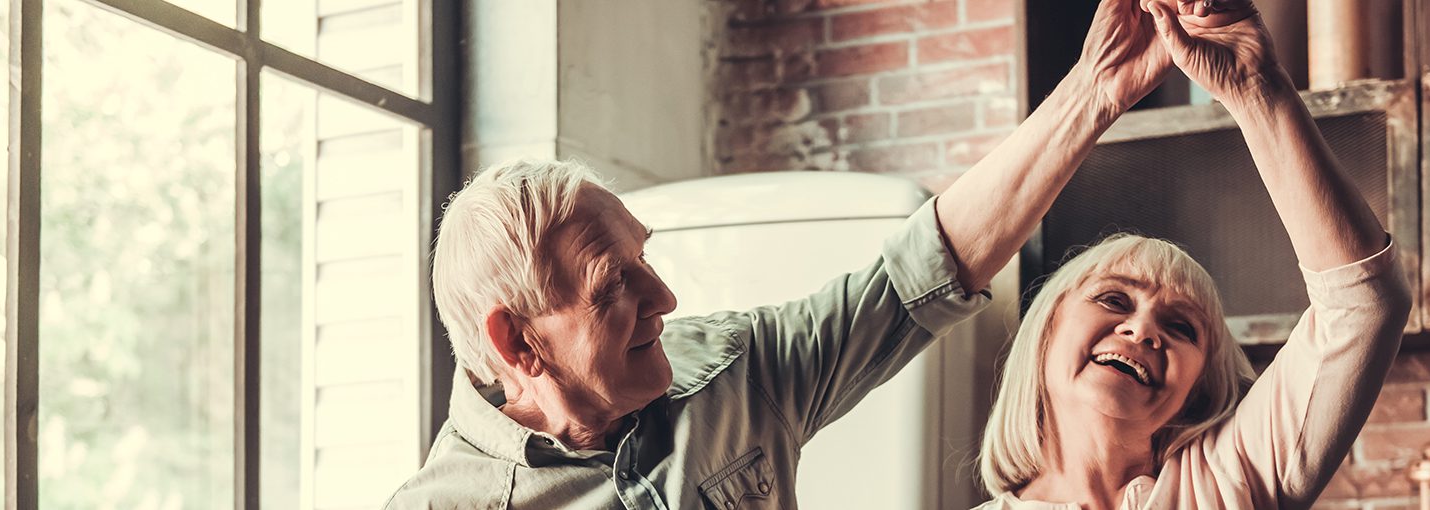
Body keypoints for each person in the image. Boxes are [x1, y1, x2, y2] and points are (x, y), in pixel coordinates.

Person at [384, 0, 1182, 505]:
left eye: (644, 258)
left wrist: (1095, 90)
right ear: (516, 341)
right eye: (613, 285)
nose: (663, 299)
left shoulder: (736, 369)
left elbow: (922, 273)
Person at [971, 1, 1412, 509]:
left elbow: (1363, 305)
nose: (1143, 331)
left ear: (1195, 394)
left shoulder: (1229, 479)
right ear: (1045, 331)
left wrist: (1255, 86)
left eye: (1182, 328)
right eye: (1115, 299)